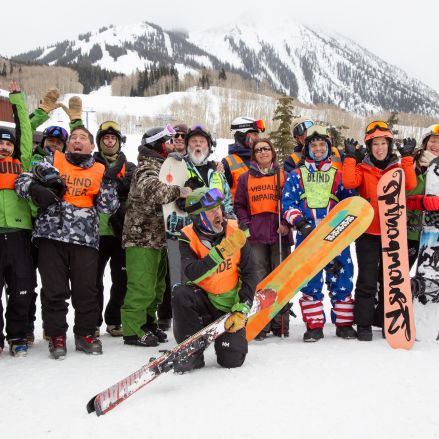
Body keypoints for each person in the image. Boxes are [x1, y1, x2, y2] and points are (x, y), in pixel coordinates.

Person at [16, 126, 120, 359]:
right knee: (54, 291)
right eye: (73, 137)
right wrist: (35, 188)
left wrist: (110, 184)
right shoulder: (53, 161)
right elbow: (20, 181)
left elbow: (109, 207)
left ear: (92, 146)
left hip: (85, 240)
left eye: (83, 138)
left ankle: (85, 335)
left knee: (86, 291)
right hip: (51, 237)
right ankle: (57, 337)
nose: (77, 141)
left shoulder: (100, 169)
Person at [342, 121, 417, 341]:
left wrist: (408, 159)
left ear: (389, 145)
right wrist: (350, 158)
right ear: (369, 145)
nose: (379, 148)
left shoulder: (397, 168)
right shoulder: (363, 168)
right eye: (375, 144)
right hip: (368, 234)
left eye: (383, 143)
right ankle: (364, 324)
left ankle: (389, 323)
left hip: (393, 233)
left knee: (391, 281)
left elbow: (410, 185)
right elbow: (348, 181)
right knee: (366, 279)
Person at [283, 125, 357, 342]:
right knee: (309, 278)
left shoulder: (338, 174)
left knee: (341, 275)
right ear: (307, 149)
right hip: (308, 236)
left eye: (321, 145)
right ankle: (314, 326)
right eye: (313, 145)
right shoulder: (297, 175)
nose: (317, 148)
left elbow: (351, 203)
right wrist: (300, 221)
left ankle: (344, 324)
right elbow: (287, 203)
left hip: (335, 235)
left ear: (328, 148)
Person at [172, 187, 257, 372]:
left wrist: (243, 307)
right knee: (180, 293)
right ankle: (191, 352)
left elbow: (251, 273)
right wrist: (218, 254)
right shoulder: (187, 235)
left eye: (218, 208)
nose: (217, 213)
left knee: (231, 360)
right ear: (197, 217)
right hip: (203, 301)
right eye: (210, 211)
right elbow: (191, 272)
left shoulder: (236, 230)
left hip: (229, 307)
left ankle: (227, 339)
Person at [121, 126, 191, 347]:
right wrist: (179, 191)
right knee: (141, 285)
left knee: (156, 287)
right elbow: (154, 190)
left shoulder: (163, 166)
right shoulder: (146, 168)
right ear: (158, 144)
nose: (174, 143)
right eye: (169, 141)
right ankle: (133, 329)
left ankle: (148, 323)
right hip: (141, 237)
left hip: (158, 237)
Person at [234, 138, 293, 338]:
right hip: (256, 236)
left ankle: (280, 323)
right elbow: (239, 204)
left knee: (280, 277)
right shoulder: (245, 178)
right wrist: (246, 224)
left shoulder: (283, 176)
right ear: (254, 155)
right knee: (259, 279)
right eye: (258, 150)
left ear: (272, 153)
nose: (263, 152)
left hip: (279, 234)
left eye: (266, 149)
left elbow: (290, 201)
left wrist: (286, 223)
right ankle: (261, 322)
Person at [0, 82, 35, 357]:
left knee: (21, 289)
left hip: (20, 235)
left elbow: (26, 133)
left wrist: (17, 100)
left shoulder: (22, 164)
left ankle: (17, 335)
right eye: (0, 143)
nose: (4, 147)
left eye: (7, 143)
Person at [94, 121, 135, 337]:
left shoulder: (129, 166)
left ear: (119, 142)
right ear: (100, 142)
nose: (109, 141)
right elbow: (93, 187)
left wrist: (110, 183)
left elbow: (130, 186)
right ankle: (93, 321)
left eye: (113, 138)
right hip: (97, 231)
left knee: (121, 279)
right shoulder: (91, 163)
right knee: (93, 281)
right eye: (105, 138)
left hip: (121, 231)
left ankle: (114, 318)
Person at [406, 124, 439, 267]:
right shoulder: (413, 164)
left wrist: (428, 203)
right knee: (398, 276)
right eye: (433, 140)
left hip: (434, 234)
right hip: (409, 231)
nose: (436, 145)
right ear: (425, 142)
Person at [222, 116, 265, 202]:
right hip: (239, 214)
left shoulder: (262, 158)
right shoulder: (227, 163)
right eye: (255, 134)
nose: (258, 138)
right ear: (242, 135)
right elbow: (223, 196)